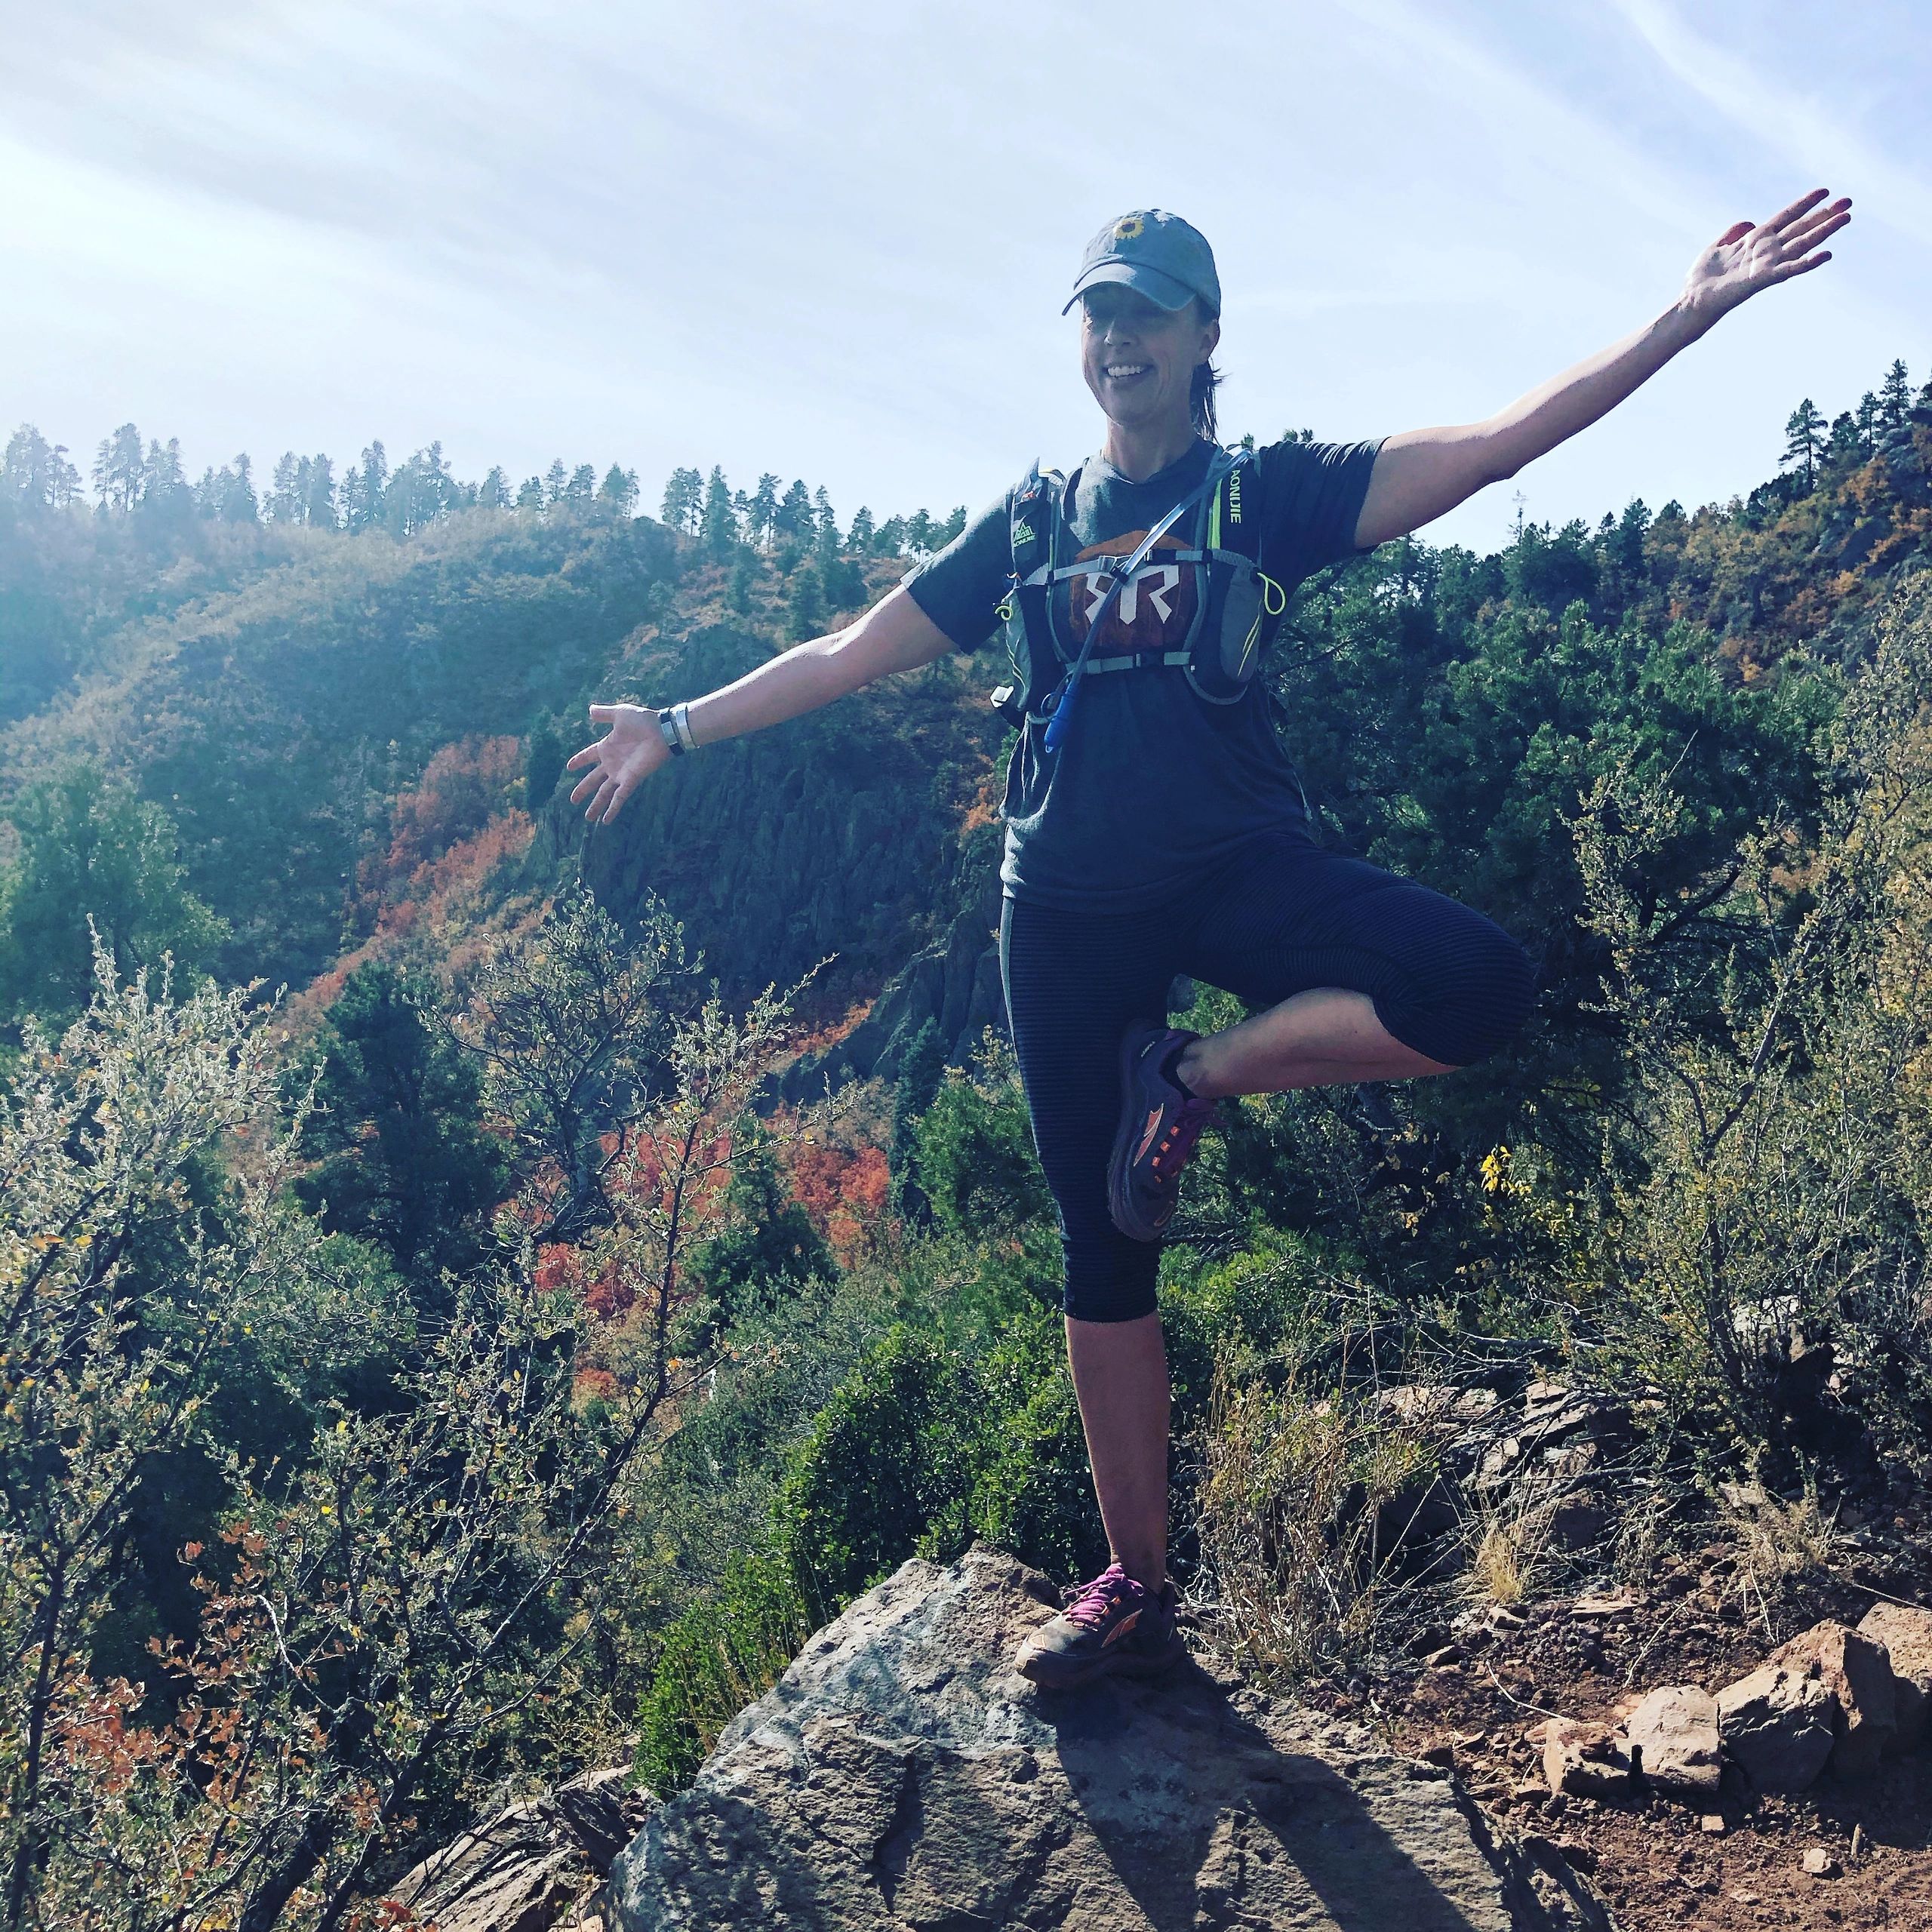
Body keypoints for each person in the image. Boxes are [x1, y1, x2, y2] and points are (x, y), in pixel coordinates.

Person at [568, 191, 1849, 1688]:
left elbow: (1496, 443)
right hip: (1054, 916)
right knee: (1101, 1258)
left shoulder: (1266, 497)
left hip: (1238, 874)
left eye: (1148, 314)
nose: (1119, 341)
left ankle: (1193, 1071)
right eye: (1098, 316)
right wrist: (674, 724)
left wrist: (1682, 311)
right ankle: (1132, 1587)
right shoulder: (1030, 523)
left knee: (1475, 983)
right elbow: (852, 651)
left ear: (1203, 336)